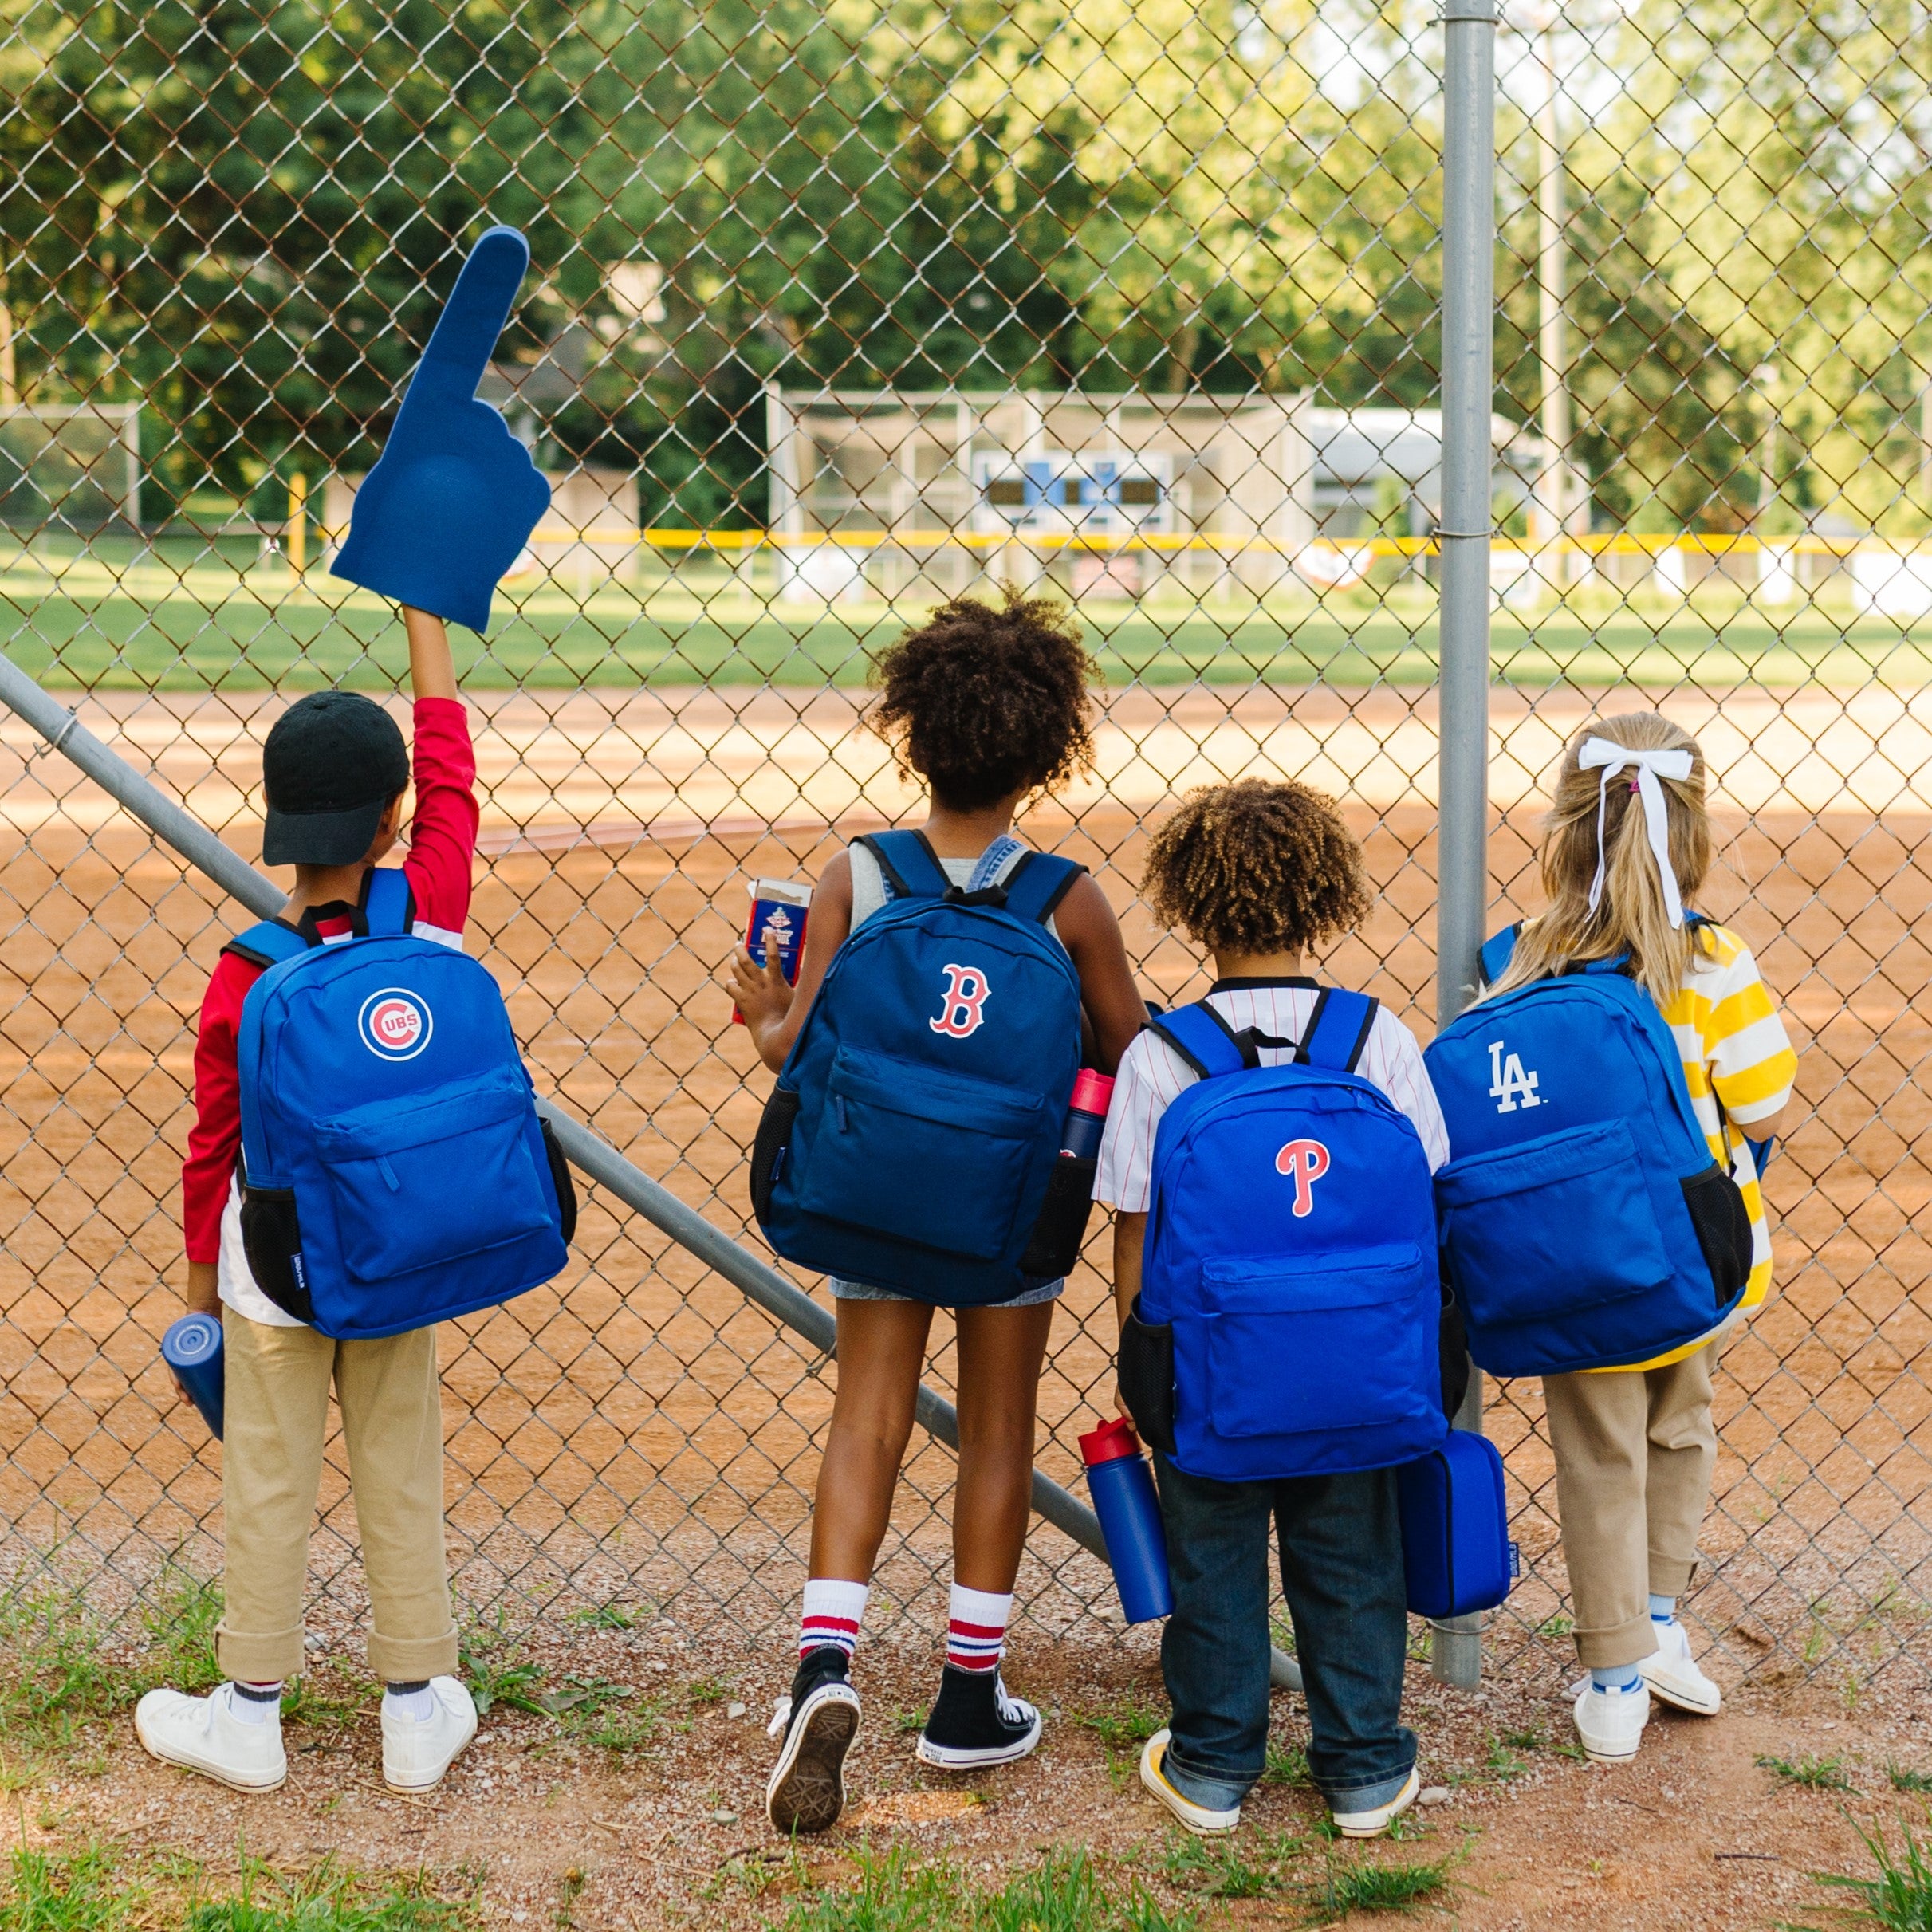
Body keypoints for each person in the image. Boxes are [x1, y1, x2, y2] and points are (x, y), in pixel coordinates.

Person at [731, 593, 1147, 1833]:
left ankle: (825, 1661)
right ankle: (970, 1693)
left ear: (913, 737)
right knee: (1000, 1424)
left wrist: (763, 1014)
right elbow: (1135, 1057)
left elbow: (789, 1052)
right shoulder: (1068, 902)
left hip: (869, 1192)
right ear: (1048, 756)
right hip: (1006, 1212)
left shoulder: (857, 872)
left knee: (869, 1410)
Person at [137, 607, 482, 1796]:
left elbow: (209, 1149)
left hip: (268, 1268)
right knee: (400, 1464)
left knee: (269, 1477)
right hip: (394, 1250)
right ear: (389, 824)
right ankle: (413, 1709)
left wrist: (201, 1293)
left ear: (279, 824)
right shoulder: (427, 908)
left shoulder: (246, 973)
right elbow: (455, 784)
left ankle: (249, 1712)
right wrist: (424, 633)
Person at [1096, 777, 1450, 1840]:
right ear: (1325, 899)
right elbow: (1430, 1197)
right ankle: (1363, 1770)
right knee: (1350, 1560)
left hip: (1214, 1372)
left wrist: (1147, 1366)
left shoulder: (1163, 1057)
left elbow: (1131, 1229)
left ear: (1194, 909)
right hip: (1359, 1372)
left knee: (1212, 1562)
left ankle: (1211, 1768)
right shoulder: (1373, 1038)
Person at [1481, 714, 1795, 1762]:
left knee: (1599, 1455)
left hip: (1572, 1266)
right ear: (1694, 835)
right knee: (1681, 1429)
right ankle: (1661, 1623)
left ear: (1563, 832)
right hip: (1699, 1263)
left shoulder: (1514, 964)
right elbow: (1764, 1105)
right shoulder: (1714, 962)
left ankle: (1614, 1679)